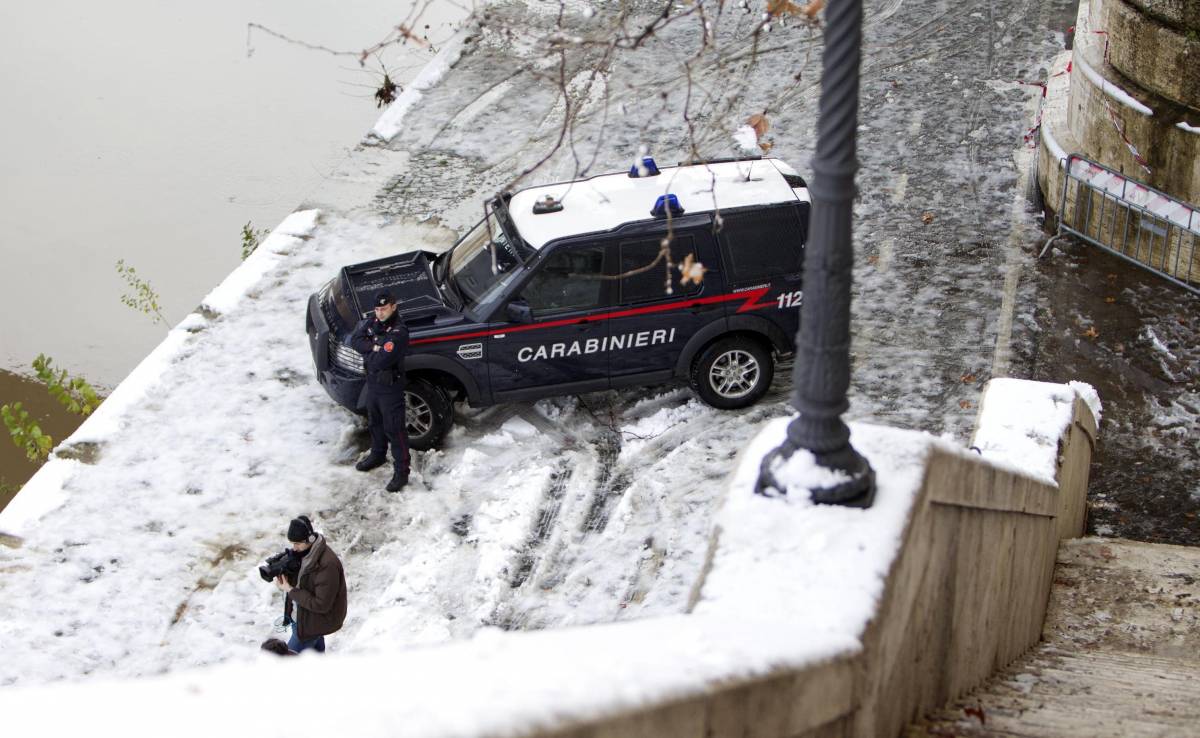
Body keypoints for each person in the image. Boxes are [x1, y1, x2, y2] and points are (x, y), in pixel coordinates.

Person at [350, 291, 411, 492]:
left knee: (395, 429)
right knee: (375, 422)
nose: (380, 313)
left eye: (383, 309)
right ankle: (377, 454)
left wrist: (371, 350)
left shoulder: (398, 332)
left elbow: (381, 360)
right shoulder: (374, 321)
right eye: (377, 309)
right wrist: (375, 347)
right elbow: (355, 339)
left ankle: (401, 472)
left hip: (390, 387)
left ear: (393, 306)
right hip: (374, 384)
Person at [273, 515, 347, 654]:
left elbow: (321, 604)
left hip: (310, 625)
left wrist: (289, 589)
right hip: (305, 619)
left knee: (284, 664)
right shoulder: (304, 554)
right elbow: (305, 581)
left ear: (311, 539)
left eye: (298, 544)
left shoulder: (327, 565)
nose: (294, 548)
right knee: (316, 660)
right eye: (292, 543)